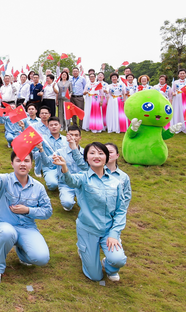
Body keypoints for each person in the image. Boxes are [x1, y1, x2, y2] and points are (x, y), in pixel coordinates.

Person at [0, 150, 52, 286]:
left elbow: (48, 211)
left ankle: (21, 250)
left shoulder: (38, 187)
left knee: (42, 258)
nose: (22, 164)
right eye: (18, 160)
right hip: (4, 225)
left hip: (27, 228)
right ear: (12, 164)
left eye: (26, 161)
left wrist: (28, 210)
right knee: (7, 233)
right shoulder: (4, 180)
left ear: (31, 165)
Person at [53, 142, 127, 282]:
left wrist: (114, 233)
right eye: (92, 153)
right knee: (95, 276)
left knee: (118, 260)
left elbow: (121, 210)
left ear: (106, 157)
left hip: (108, 230)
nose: (96, 156)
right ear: (86, 158)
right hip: (88, 229)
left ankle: (109, 265)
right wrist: (64, 167)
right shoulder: (83, 178)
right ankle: (83, 249)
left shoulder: (115, 183)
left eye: (100, 153)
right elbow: (70, 181)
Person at [54, 125, 87, 211]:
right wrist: (41, 150)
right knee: (67, 204)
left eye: (76, 135)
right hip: (66, 184)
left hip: (82, 184)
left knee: (89, 205)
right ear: (67, 136)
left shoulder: (86, 153)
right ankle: (67, 197)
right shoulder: (60, 152)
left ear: (80, 137)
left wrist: (74, 148)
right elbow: (47, 162)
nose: (74, 138)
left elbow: (85, 167)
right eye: (71, 135)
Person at [41, 116, 67, 191]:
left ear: (60, 126)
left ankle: (62, 179)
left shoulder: (66, 139)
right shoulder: (43, 139)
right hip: (50, 167)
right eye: (51, 125)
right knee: (52, 185)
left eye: (56, 124)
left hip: (64, 166)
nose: (54, 127)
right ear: (48, 126)